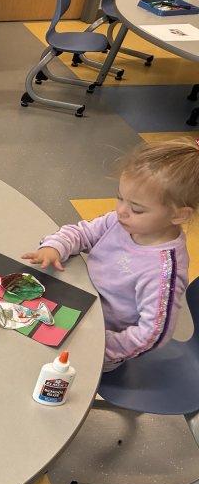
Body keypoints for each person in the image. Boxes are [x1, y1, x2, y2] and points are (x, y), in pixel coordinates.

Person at [21, 139, 199, 372]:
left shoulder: (163, 271)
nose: (121, 211)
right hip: (76, 301)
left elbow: (153, 334)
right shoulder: (121, 221)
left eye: (137, 209)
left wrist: (100, 347)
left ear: (179, 215)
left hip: (99, 341)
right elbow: (83, 233)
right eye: (120, 198)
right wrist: (55, 246)